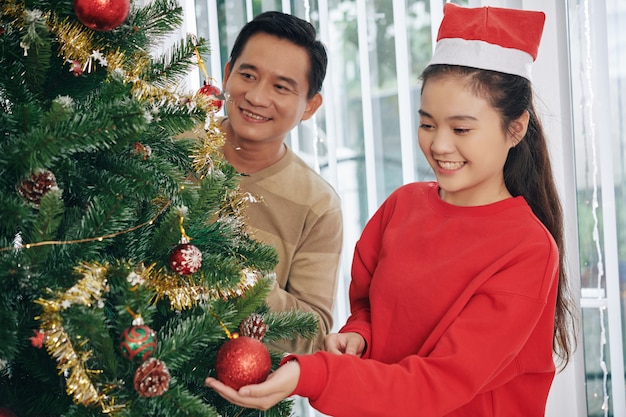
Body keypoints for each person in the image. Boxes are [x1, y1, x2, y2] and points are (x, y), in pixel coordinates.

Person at [205, 3, 578, 416]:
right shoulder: (402, 205)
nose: (438, 145)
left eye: (461, 129)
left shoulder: (527, 249)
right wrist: (360, 333)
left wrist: (310, 374)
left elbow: (437, 383)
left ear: (516, 127)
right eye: (428, 124)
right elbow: (370, 305)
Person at [218, 11, 342, 354]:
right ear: (228, 74)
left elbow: (313, 333)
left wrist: (243, 281)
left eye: (281, 87)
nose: (257, 97)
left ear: (309, 106)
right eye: (247, 75)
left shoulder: (318, 204)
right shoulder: (171, 142)